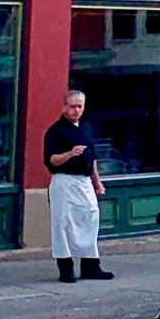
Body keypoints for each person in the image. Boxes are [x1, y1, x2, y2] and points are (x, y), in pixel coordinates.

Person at [43, 90, 112, 282]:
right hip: (64, 181)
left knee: (91, 217)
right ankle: (66, 268)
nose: (76, 110)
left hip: (84, 181)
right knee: (63, 224)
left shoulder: (86, 128)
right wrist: (70, 154)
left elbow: (92, 157)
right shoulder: (55, 132)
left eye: (80, 106)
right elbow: (51, 160)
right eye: (72, 106)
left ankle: (91, 265)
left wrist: (97, 181)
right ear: (64, 106)